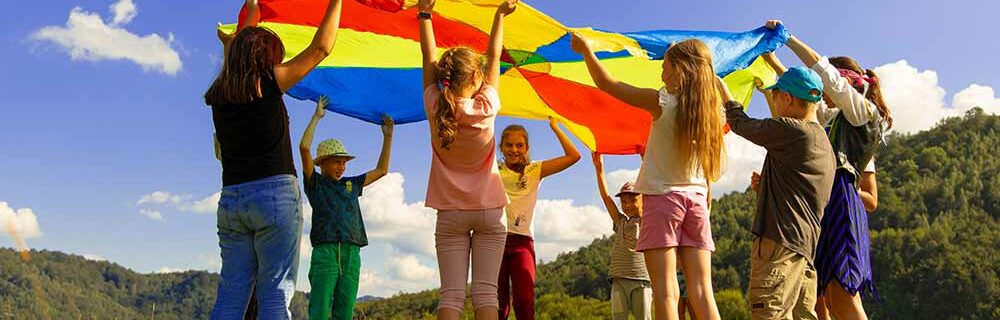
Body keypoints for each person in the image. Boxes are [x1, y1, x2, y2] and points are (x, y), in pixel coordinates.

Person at [571, 33, 725, 320]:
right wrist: (683, 58)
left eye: (665, 65)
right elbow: (711, 81)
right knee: (703, 290)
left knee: (666, 291)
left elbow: (608, 83)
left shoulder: (662, 102)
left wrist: (586, 51)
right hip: (697, 203)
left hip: (663, 201)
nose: (661, 70)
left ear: (680, 71)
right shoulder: (714, 112)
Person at [205, 0, 344, 318]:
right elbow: (322, 48)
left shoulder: (220, 94)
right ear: (265, 60)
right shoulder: (268, 82)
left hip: (232, 200)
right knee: (274, 294)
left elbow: (236, 60)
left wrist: (248, 15)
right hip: (273, 198)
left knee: (231, 294)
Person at [767, 19, 893, 320]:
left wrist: (789, 40)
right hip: (823, 204)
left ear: (843, 84)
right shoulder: (833, 118)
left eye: (825, 87)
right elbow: (804, 92)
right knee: (831, 299)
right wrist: (770, 58)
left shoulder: (863, 114)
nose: (819, 93)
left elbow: (821, 71)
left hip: (842, 204)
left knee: (844, 295)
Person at [418, 0, 519, 319]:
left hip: (449, 213)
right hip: (490, 211)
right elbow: (493, 58)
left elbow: (428, 58)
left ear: (443, 78)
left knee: (451, 295)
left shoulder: (435, 106)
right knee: (487, 293)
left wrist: (425, 14)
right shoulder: (486, 106)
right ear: (477, 76)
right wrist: (498, 16)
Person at [726, 56, 837, 319]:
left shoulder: (793, 130)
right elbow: (802, 189)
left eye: (775, 96)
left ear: (786, 98)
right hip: (804, 249)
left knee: (770, 313)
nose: (774, 102)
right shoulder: (822, 141)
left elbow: (741, 124)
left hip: (779, 245)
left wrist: (722, 90)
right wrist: (766, 186)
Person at [300, 97, 394, 320]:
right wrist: (317, 117)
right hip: (326, 251)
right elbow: (304, 147)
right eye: (336, 161)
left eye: (344, 162)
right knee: (320, 310)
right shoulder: (315, 183)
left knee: (345, 311)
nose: (342, 166)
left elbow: (381, 170)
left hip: (353, 251)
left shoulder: (351, 184)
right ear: (322, 163)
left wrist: (388, 136)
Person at [496, 118, 580, 319]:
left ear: (526, 147)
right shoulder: (493, 169)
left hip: (522, 242)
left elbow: (573, 156)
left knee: (524, 301)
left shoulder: (534, 170)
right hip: (494, 240)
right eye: (509, 144)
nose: (514, 149)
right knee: (498, 303)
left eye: (519, 145)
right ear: (501, 147)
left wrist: (555, 127)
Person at [593, 153, 651, 320]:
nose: (627, 205)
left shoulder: (646, 220)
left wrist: (645, 159)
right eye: (624, 201)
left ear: (642, 199)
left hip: (641, 280)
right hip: (618, 280)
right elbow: (606, 197)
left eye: (633, 200)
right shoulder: (620, 221)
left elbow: (652, 188)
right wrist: (599, 169)